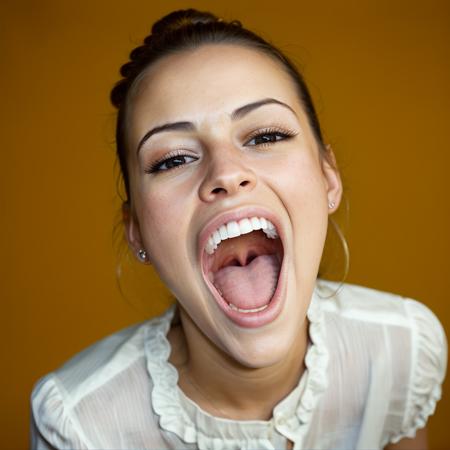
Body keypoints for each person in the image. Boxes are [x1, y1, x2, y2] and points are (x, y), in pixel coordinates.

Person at [30, 9, 447, 450]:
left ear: (328, 177)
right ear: (136, 231)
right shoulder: (79, 423)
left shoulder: (400, 347)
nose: (227, 173)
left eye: (265, 135)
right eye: (172, 159)